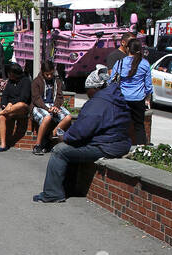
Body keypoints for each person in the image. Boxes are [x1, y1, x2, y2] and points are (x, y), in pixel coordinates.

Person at [33, 74, 132, 203]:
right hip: (118, 143)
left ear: (95, 88)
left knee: (60, 150)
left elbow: (81, 130)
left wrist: (64, 137)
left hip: (106, 146)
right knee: (73, 147)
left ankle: (52, 193)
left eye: (88, 90)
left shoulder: (98, 103)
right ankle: (68, 188)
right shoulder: (114, 97)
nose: (87, 93)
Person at [108, 37, 153, 145]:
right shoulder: (144, 64)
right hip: (138, 99)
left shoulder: (120, 63)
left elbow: (111, 81)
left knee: (121, 124)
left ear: (128, 49)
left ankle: (119, 146)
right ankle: (140, 148)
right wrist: (147, 97)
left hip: (123, 98)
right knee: (139, 125)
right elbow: (148, 86)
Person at [0, 62, 32, 151]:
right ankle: (3, 144)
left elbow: (23, 98)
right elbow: (5, 95)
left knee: (20, 104)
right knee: (2, 117)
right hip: (9, 109)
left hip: (22, 108)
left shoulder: (25, 81)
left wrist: (11, 104)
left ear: (14, 73)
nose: (8, 75)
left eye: (9, 73)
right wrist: (4, 104)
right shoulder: (10, 82)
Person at [30, 61, 69, 154]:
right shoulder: (36, 81)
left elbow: (59, 96)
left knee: (68, 117)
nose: (49, 76)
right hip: (39, 105)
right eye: (47, 74)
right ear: (42, 72)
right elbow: (36, 99)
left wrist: (56, 106)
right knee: (47, 117)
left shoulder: (57, 81)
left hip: (53, 105)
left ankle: (51, 136)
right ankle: (38, 145)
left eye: (51, 74)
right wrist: (47, 109)